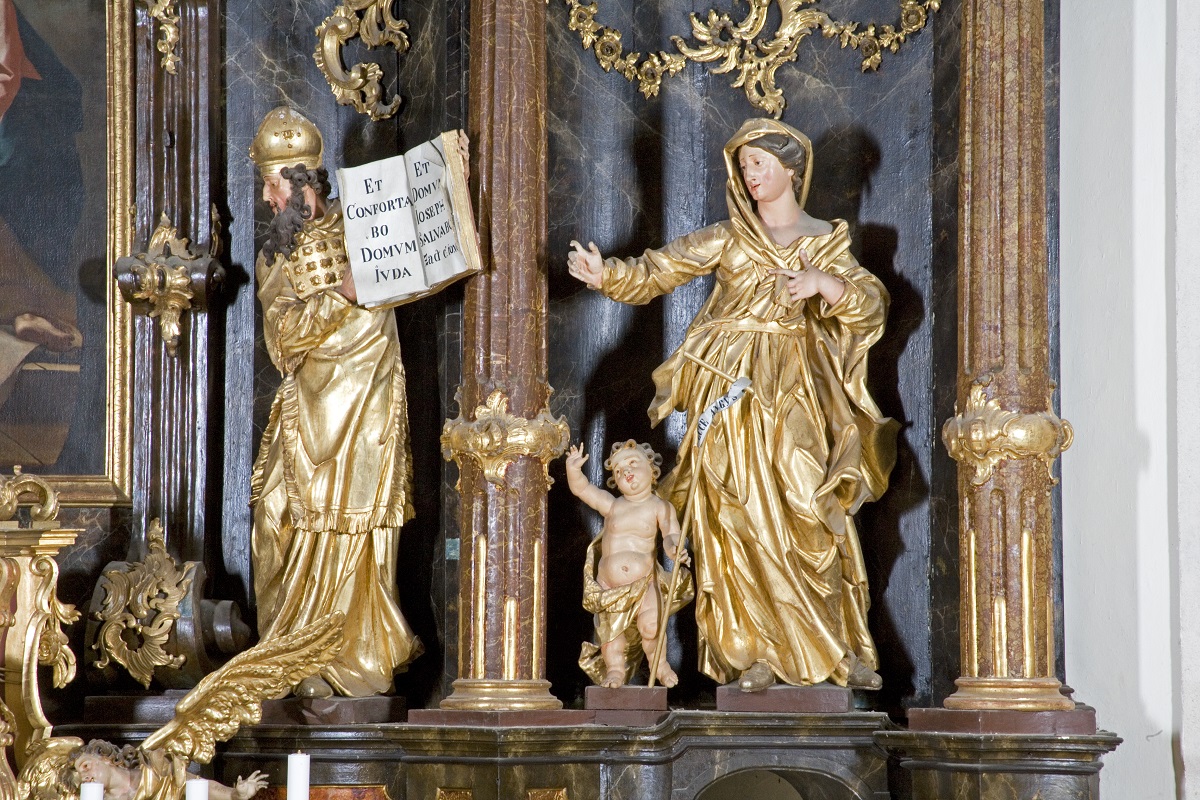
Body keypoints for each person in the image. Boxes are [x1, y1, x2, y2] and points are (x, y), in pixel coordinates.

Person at [566, 118, 897, 692]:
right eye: (742, 166)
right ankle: (753, 653)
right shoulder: (728, 236)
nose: (750, 176)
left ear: (792, 168)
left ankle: (834, 648)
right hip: (729, 392)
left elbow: (870, 305)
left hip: (797, 388)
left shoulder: (826, 239)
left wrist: (823, 283)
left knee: (807, 499)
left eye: (760, 164)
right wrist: (607, 275)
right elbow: (659, 269)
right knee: (737, 513)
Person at [247, 106, 422, 698]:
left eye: (275, 184)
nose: (269, 198)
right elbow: (284, 339)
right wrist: (342, 297)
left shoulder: (365, 226)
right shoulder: (275, 256)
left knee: (359, 533)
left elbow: (405, 278)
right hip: (309, 415)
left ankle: (351, 661)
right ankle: (292, 657)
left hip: (366, 409)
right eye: (265, 184)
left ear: (304, 182)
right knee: (276, 523)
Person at [565, 440, 693, 688]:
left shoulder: (660, 507)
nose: (626, 472)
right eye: (619, 471)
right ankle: (614, 670)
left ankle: (661, 665)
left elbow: (670, 535)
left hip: (644, 584)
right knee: (611, 635)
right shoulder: (613, 506)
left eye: (632, 463)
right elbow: (583, 490)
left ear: (652, 469)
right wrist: (573, 470)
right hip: (609, 587)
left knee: (651, 626)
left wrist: (676, 549)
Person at [73, 740, 267, 800]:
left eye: (86, 766)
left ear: (106, 759)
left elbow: (199, 787)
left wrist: (234, 794)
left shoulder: (155, 772)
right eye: (80, 775)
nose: (85, 776)